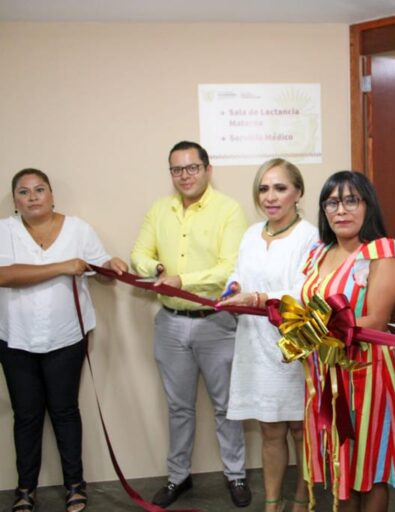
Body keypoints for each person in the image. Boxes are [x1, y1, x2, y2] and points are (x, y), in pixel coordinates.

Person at [130, 141, 251, 508]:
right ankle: (178, 477)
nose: (184, 176)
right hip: (169, 323)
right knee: (178, 407)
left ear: (207, 169)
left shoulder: (229, 210)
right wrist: (156, 271)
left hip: (215, 321)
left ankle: (236, 475)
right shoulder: (159, 209)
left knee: (225, 406)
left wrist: (183, 280)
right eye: (177, 169)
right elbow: (139, 254)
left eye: (192, 168)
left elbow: (230, 267)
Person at [0, 168, 128, 512]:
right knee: (26, 416)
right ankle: (25, 489)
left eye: (39, 190)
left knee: (66, 412)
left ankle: (75, 484)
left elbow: (97, 267)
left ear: (52, 194)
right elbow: (4, 276)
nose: (32, 197)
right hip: (16, 339)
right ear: (15, 200)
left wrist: (111, 267)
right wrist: (61, 266)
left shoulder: (78, 229)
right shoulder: (4, 231)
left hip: (66, 336)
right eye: (24, 192)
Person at [300, 171, 395, 512]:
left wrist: (310, 329)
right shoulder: (318, 252)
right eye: (332, 202)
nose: (341, 210)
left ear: (367, 206)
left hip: (366, 373)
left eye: (351, 200)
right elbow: (302, 305)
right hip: (322, 374)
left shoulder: (382, 251)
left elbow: (376, 318)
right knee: (340, 464)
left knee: (371, 463)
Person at [217, 158, 317, 512]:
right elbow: (240, 274)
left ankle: (302, 499)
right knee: (270, 429)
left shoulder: (311, 236)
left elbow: (306, 292)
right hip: (254, 344)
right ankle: (272, 503)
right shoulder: (250, 233)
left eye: (280, 188)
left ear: (298, 192)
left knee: (300, 429)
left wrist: (260, 298)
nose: (270, 197)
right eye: (263, 188)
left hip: (293, 345)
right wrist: (233, 288)